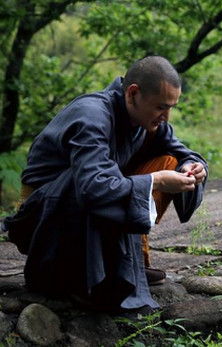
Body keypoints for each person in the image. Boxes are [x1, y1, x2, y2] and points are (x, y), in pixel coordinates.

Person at [2, 56, 208, 313]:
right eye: (161, 107)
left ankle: (127, 262)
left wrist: (192, 167)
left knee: (170, 160)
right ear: (133, 94)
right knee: (93, 182)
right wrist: (156, 180)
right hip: (45, 215)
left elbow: (184, 153)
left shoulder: (146, 119)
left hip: (84, 203)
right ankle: (74, 275)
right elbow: (93, 187)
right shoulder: (92, 115)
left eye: (171, 108)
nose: (166, 116)